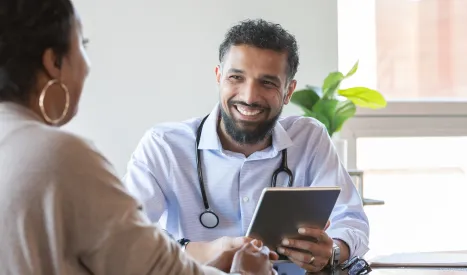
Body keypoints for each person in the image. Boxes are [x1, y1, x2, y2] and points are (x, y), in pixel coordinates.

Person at [0, 0, 277, 274]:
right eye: (82, 45)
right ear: (53, 61)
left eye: (267, 82)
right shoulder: (62, 156)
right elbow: (157, 269)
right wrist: (246, 272)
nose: (250, 96)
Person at [123, 19, 370, 273]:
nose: (249, 96)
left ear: (288, 91)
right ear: (219, 77)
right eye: (236, 77)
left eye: (268, 83)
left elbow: (352, 220)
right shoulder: (164, 146)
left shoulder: (309, 138)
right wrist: (200, 251)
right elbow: (126, 235)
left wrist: (333, 250)